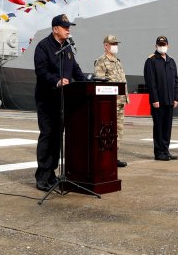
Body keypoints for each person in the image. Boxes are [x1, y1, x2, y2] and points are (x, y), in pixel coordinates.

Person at [33, 14, 87, 191]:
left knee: (57, 138)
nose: (68, 29)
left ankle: (52, 174)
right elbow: (41, 71)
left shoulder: (68, 48)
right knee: (47, 135)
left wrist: (90, 81)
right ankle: (42, 176)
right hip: (47, 99)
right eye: (65, 27)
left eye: (68, 26)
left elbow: (76, 70)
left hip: (63, 100)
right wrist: (56, 81)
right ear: (55, 29)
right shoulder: (44, 46)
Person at [143, 35, 178, 161]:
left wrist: (176, 98)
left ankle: (166, 150)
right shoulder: (151, 60)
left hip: (169, 100)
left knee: (167, 127)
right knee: (158, 127)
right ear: (156, 46)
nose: (162, 47)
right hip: (158, 101)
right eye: (160, 45)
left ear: (168, 46)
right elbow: (150, 82)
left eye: (164, 45)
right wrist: (154, 99)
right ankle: (159, 153)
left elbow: (175, 81)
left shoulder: (171, 61)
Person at [93, 34, 128, 168]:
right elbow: (100, 83)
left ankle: (114, 156)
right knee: (107, 130)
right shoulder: (101, 61)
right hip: (109, 103)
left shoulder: (118, 61)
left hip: (120, 102)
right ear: (106, 46)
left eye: (116, 44)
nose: (115, 46)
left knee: (119, 130)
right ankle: (105, 156)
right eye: (113, 44)